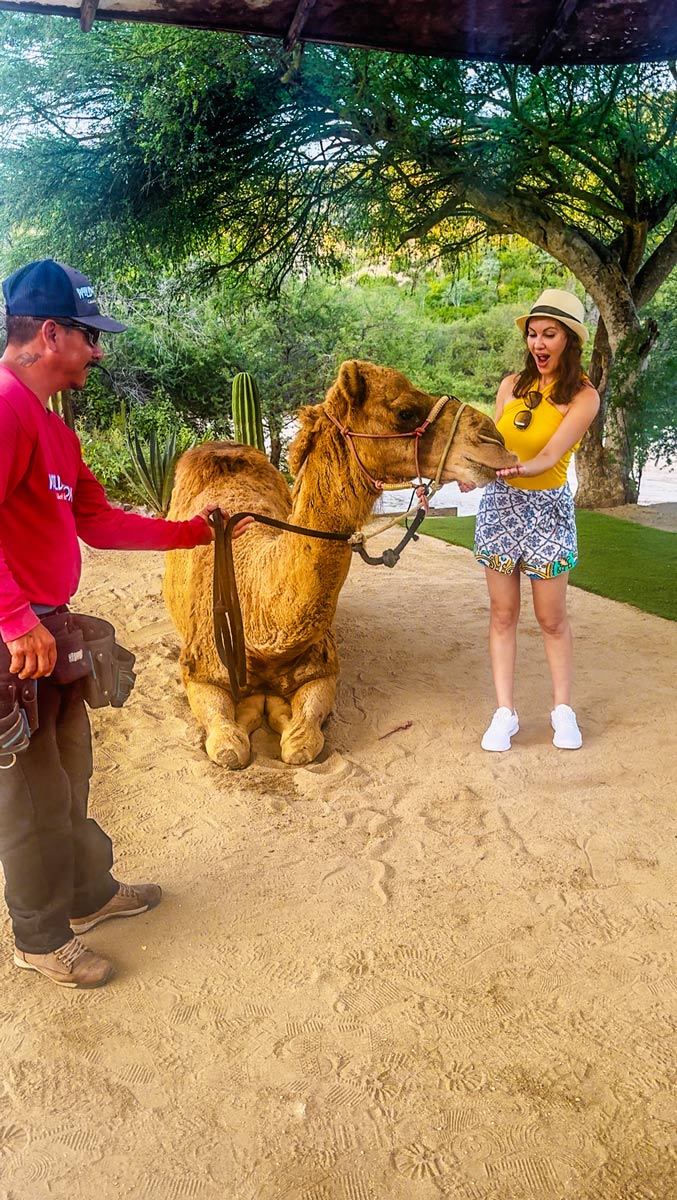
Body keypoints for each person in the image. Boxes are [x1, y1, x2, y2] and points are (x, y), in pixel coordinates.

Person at [0, 258, 250, 989]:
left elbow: (100, 525)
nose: (100, 351)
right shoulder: (5, 406)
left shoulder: (54, 432)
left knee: (70, 775)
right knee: (28, 793)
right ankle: (40, 937)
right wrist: (16, 620)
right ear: (50, 334)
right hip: (16, 639)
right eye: (89, 336)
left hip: (48, 632)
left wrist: (197, 532)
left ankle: (86, 896)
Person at [469, 288, 600, 753]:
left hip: (547, 511)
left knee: (552, 619)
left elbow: (548, 456)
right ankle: (504, 713)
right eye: (533, 334)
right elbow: (491, 448)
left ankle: (563, 712)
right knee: (503, 614)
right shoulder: (510, 386)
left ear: (569, 340)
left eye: (550, 334)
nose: (539, 344)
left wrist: (515, 468)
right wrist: (474, 475)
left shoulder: (584, 396)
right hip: (500, 506)